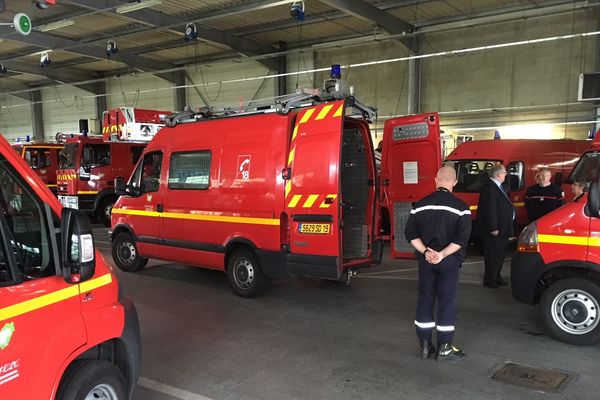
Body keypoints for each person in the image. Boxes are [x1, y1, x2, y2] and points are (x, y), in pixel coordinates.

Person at [404, 165, 471, 361]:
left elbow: (411, 235)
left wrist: (427, 251)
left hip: (426, 261)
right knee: (446, 301)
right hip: (448, 261)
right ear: (454, 182)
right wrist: (442, 254)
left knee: (425, 299)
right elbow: (461, 240)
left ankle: (425, 346)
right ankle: (445, 347)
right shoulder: (462, 208)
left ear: (436, 180)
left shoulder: (420, 205)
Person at [477, 164, 515, 289]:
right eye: (504, 172)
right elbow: (490, 209)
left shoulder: (497, 186)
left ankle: (496, 277)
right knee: (493, 256)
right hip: (494, 230)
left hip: (502, 228)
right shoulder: (490, 188)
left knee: (499, 255)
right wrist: (493, 227)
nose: (506, 174)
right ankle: (490, 280)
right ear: (498, 174)